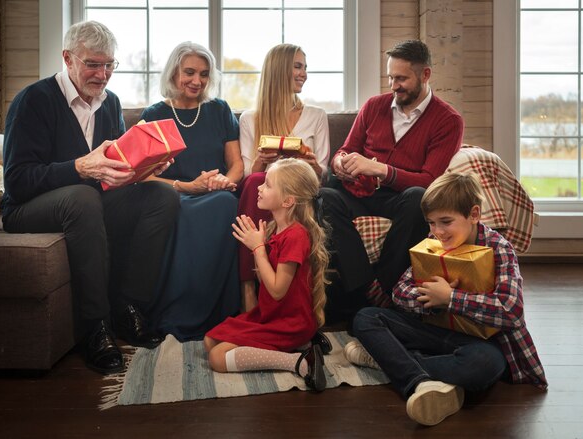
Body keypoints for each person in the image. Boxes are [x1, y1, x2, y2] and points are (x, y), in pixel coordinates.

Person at [1, 21, 179, 374]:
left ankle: (128, 308)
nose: (103, 74)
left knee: (162, 197)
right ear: (68, 58)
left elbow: (114, 169)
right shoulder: (33, 101)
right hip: (26, 208)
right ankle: (95, 327)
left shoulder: (110, 102)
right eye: (93, 64)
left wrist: (143, 169)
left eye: (109, 65)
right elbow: (18, 182)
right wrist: (80, 167)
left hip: (89, 201)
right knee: (83, 197)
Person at [344, 172, 548, 426]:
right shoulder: (433, 243)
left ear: (474, 215)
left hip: (479, 344)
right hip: (434, 331)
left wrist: (452, 298)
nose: (438, 231)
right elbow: (400, 291)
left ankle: (392, 363)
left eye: (446, 221)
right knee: (366, 317)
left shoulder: (499, 249)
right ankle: (424, 380)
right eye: (431, 223)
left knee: (484, 365)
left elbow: (511, 310)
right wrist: (431, 299)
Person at [319, 39, 464, 321]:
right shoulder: (374, 106)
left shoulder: (448, 120)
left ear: (425, 75)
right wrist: (341, 163)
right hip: (357, 193)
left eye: (401, 78)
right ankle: (369, 289)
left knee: (418, 198)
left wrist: (380, 170)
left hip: (400, 199)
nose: (394, 85)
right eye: (390, 77)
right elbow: (345, 150)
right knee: (325, 194)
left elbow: (430, 178)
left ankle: (384, 288)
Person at [141, 42, 244, 341]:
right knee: (173, 207)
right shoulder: (154, 114)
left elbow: (236, 164)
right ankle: (176, 312)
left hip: (216, 194)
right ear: (174, 72)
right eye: (189, 72)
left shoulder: (219, 109)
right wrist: (188, 186)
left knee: (225, 203)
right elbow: (143, 177)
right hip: (172, 195)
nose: (197, 81)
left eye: (203, 74)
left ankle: (217, 312)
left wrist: (224, 181)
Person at [204, 159, 330, 391]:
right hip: (272, 315)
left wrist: (258, 248)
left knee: (218, 358)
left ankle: (301, 362)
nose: (259, 188)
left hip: (290, 322)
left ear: (288, 200)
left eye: (268, 184)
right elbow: (265, 282)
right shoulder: (277, 228)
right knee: (210, 340)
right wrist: (258, 246)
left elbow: (277, 290)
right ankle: (304, 345)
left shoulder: (296, 236)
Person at [237, 43, 330, 311]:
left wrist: (313, 166)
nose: (304, 74)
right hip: (265, 193)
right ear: (279, 71)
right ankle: (248, 286)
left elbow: (323, 174)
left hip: (301, 192)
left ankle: (282, 293)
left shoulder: (317, 116)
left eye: (305, 67)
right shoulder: (250, 119)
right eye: (298, 66)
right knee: (256, 181)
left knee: (264, 183)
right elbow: (247, 175)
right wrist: (259, 162)